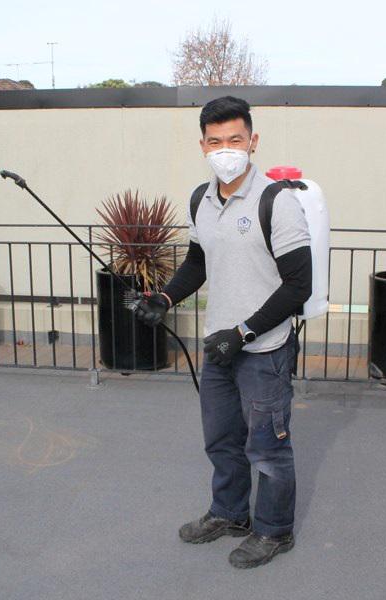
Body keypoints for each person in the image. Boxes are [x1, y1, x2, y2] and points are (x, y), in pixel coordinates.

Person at [133, 96, 312, 569]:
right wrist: (164, 298)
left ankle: (274, 530)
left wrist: (245, 332)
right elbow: (198, 263)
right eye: (215, 141)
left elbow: (299, 285)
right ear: (203, 146)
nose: (225, 149)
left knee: (268, 448)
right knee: (221, 439)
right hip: (219, 345)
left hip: (264, 349)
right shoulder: (202, 199)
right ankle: (230, 513)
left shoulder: (277, 202)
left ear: (253, 141)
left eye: (235, 139)